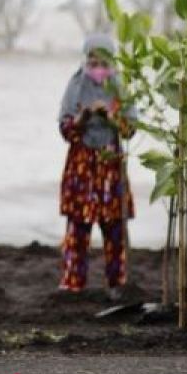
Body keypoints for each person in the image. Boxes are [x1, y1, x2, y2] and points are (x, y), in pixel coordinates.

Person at [57, 33, 136, 298]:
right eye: (93, 61)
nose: (98, 67)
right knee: (78, 226)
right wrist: (85, 116)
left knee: (114, 226)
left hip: (110, 164)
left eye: (104, 61)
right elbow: (65, 129)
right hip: (82, 164)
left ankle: (116, 283)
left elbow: (130, 129)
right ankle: (73, 283)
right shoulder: (76, 85)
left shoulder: (119, 87)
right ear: (86, 59)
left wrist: (112, 117)